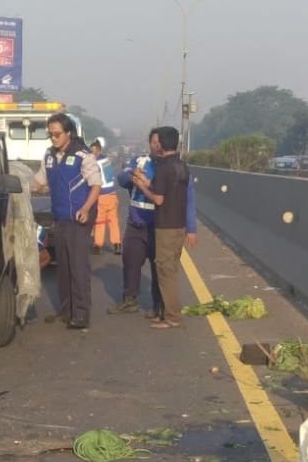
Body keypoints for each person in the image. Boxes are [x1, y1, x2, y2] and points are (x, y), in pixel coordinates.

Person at [108, 136, 197, 319]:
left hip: (160, 225)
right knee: (130, 261)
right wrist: (132, 175)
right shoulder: (139, 161)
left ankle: (159, 305)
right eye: (154, 142)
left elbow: (188, 200)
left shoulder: (172, 168)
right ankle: (129, 299)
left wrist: (191, 228)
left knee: (160, 267)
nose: (156, 146)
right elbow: (122, 179)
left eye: (159, 143)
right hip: (136, 222)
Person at [33, 113, 102, 330]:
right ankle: (66, 310)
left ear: (68, 133)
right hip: (60, 217)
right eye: (50, 134)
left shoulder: (83, 156)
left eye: (57, 134)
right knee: (63, 265)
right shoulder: (49, 156)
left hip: (78, 218)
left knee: (78, 267)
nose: (53, 138)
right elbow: (38, 181)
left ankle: (81, 314)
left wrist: (86, 208)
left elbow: (96, 185)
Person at [133, 126, 188, 329]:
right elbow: (167, 188)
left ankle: (172, 316)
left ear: (162, 144)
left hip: (166, 225)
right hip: (179, 224)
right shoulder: (181, 166)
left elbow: (158, 198)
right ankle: (165, 313)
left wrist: (141, 187)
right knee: (170, 268)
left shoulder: (163, 167)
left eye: (157, 142)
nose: (154, 145)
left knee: (166, 272)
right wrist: (146, 182)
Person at [89, 137, 121, 255]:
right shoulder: (106, 160)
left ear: (97, 150)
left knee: (100, 221)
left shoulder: (95, 163)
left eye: (92, 150)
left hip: (102, 195)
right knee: (113, 220)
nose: (91, 153)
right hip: (112, 194)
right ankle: (117, 245)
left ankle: (98, 245)